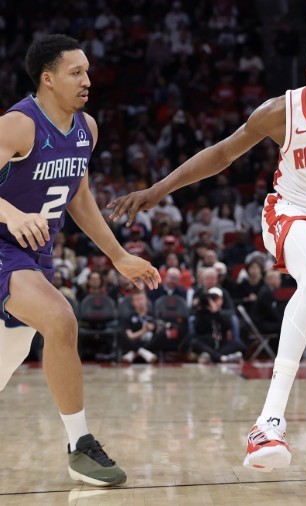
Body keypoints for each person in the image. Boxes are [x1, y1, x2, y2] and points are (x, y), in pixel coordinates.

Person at [108, 37, 306, 472]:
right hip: (292, 211)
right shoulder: (281, 112)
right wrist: (157, 191)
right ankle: (268, 423)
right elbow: (221, 155)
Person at [0, 35, 160, 487]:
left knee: (7, 360)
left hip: (34, 255)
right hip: (4, 246)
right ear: (47, 79)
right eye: (76, 72)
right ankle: (80, 446)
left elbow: (80, 197)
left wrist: (119, 256)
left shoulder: (86, 127)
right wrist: (11, 214)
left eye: (87, 71)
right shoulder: (18, 124)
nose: (87, 80)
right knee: (61, 319)